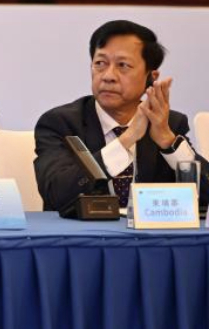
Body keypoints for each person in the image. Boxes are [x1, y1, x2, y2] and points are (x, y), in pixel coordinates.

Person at [34, 20, 208, 214]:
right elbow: (57, 194)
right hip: (83, 239)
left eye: (123, 65)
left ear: (151, 76)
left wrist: (168, 142)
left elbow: (205, 195)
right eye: (100, 64)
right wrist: (126, 140)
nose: (108, 76)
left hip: (150, 240)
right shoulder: (61, 124)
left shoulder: (168, 124)